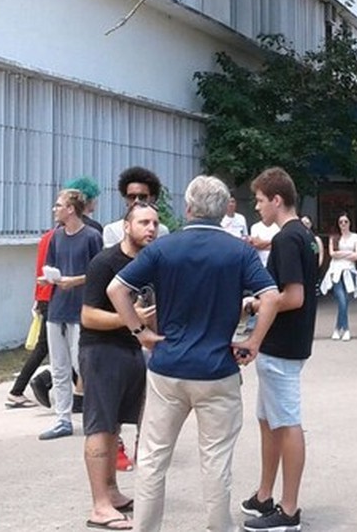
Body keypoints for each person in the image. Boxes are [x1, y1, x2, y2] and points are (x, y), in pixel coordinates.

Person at [106, 175, 280, 532]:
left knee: (153, 458)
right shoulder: (239, 251)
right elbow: (272, 296)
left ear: (188, 208)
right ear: (224, 210)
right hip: (217, 370)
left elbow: (116, 288)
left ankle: (145, 528)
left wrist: (140, 332)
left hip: (167, 368)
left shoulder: (163, 248)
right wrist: (254, 341)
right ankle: (219, 528)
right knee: (216, 460)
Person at [241, 167, 319, 532]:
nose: (257, 207)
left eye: (260, 200)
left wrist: (255, 306)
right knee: (268, 419)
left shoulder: (287, 238)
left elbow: (293, 296)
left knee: (286, 423)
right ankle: (264, 494)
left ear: (277, 199)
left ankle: (288, 511)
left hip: (282, 344)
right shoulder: (302, 235)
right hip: (288, 342)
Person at [79, 203, 159, 530]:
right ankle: (99, 506)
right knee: (100, 425)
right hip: (101, 351)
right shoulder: (105, 262)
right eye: (143, 222)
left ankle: (111, 492)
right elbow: (88, 316)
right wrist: (130, 319)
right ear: (127, 226)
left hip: (132, 351)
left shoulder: (150, 263)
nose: (151, 228)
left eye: (155, 223)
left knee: (114, 426)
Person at [38, 188, 103, 441]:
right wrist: (49, 279)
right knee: (59, 367)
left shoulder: (92, 237)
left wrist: (74, 281)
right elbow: (52, 265)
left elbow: (99, 273)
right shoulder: (56, 236)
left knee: (82, 365)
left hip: (81, 309)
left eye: (58, 205)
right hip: (57, 307)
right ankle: (62, 418)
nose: (54, 209)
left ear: (71, 209)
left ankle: (97, 416)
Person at [5, 224, 55, 408]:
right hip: (54, 296)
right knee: (46, 346)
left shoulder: (47, 237)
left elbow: (40, 269)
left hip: (45, 296)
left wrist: (38, 297)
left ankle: (21, 389)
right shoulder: (59, 238)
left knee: (50, 346)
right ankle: (18, 390)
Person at [318, 213, 357, 341]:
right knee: (341, 300)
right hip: (335, 271)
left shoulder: (356, 237)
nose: (343, 224)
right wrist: (349, 253)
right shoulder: (334, 237)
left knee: (345, 302)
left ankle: (338, 328)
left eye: (345, 221)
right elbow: (332, 254)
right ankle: (346, 329)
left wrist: (341, 254)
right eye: (341, 222)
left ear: (350, 223)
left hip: (349, 271)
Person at [102, 167, 170, 247]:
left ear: (152, 199)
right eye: (131, 197)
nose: (136, 201)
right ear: (126, 199)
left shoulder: (162, 231)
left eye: (142, 197)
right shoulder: (112, 230)